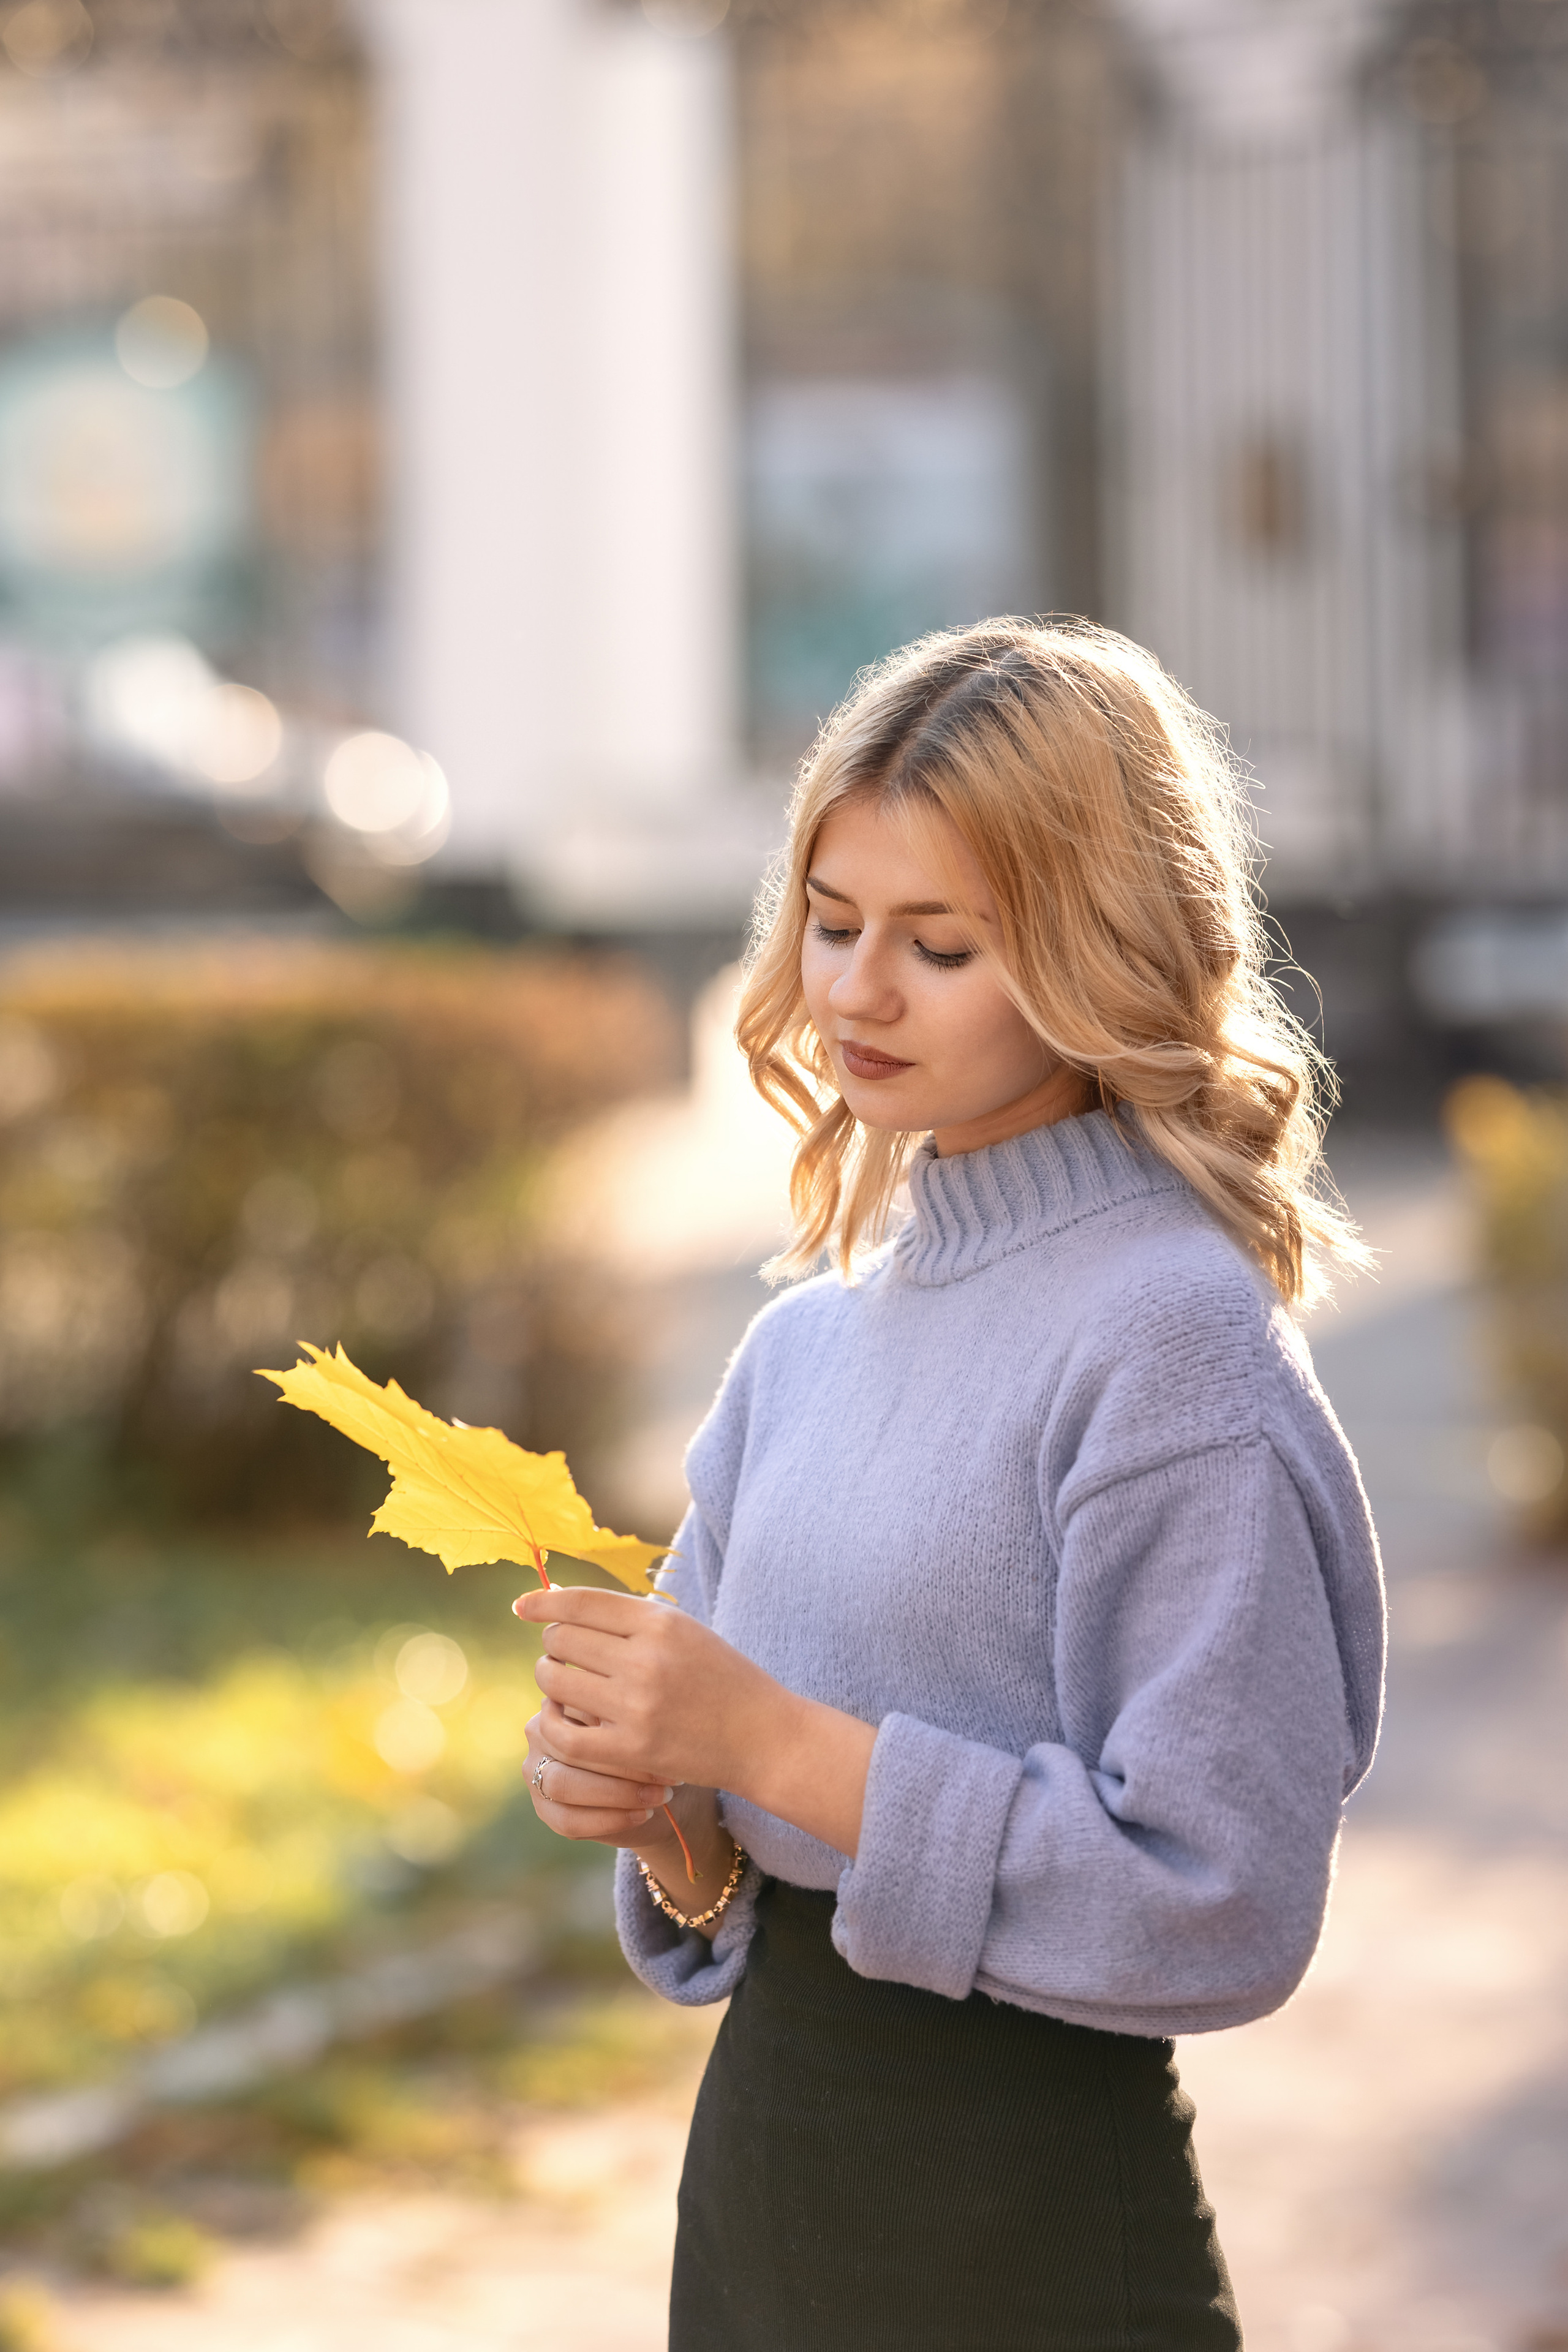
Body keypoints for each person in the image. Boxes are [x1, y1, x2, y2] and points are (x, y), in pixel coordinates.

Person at [515, 619, 1385, 2351]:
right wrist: (662, 1801)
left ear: (1095, 948)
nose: (854, 991)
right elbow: (749, 1867)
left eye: (939, 944)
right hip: (765, 2196)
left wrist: (769, 1742)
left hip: (1029, 2244)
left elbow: (1223, 1898)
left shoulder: (1176, 1350)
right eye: (831, 925)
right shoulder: (804, 1349)